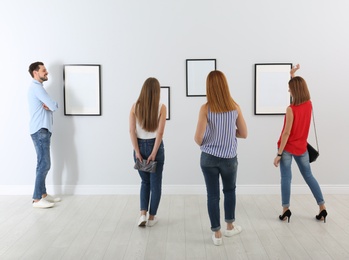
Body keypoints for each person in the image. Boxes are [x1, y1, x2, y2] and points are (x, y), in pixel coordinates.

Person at [194, 70, 248, 246]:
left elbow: (198, 138)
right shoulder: (235, 107)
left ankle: (217, 234)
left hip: (208, 158)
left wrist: (212, 137)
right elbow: (244, 133)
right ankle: (230, 227)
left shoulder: (205, 108)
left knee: (212, 195)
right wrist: (227, 133)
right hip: (229, 159)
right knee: (230, 191)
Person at [273, 64, 327, 223]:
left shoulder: (291, 109)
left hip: (288, 149)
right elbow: (298, 91)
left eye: (290, 89)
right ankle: (322, 207)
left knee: (286, 178)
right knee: (309, 176)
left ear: (294, 91)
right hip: (302, 148)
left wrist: (279, 154)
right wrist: (292, 75)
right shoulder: (309, 104)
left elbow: (286, 133)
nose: (288, 91)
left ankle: (285, 210)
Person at [129, 77, 167, 227]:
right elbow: (160, 133)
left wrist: (137, 151)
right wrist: (154, 153)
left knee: (145, 182)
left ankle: (142, 214)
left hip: (139, 146)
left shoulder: (134, 107)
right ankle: (152, 218)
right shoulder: (162, 107)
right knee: (155, 184)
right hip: (155, 147)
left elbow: (132, 130)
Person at [28, 61, 60, 208]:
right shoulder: (37, 88)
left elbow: (52, 105)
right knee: (45, 164)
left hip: (42, 129)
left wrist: (52, 105)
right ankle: (36, 199)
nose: (46, 73)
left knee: (41, 163)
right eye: (44, 70)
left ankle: (43, 194)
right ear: (36, 73)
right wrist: (52, 105)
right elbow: (53, 105)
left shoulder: (38, 88)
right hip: (40, 129)